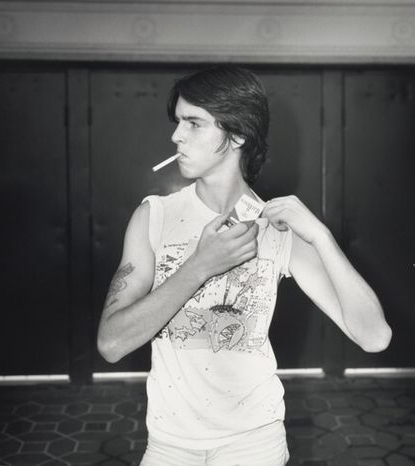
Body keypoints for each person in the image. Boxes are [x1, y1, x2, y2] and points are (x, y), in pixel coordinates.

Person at [97, 65, 392, 466]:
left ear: (237, 135)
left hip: (255, 443)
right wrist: (199, 266)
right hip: (169, 444)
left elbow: (374, 337)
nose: (176, 135)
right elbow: (111, 344)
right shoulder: (154, 216)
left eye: (193, 123)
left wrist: (321, 237)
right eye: (178, 122)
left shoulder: (277, 227)